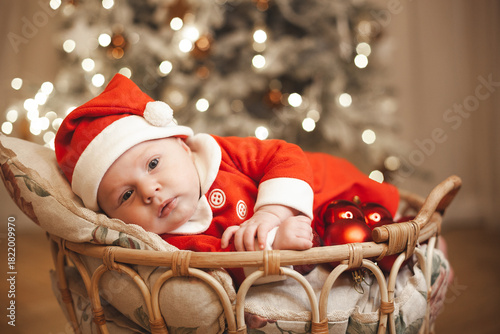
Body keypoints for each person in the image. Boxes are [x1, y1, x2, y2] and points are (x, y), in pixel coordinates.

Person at [55, 74, 399, 282]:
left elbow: (284, 155)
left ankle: (405, 228)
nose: (149, 191)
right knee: (360, 251)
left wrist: (272, 214)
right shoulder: (175, 244)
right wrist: (273, 245)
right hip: (310, 242)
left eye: (153, 163)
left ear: (182, 144)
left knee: (376, 216)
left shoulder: (219, 153)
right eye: (126, 196)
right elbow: (224, 267)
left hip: (323, 188)